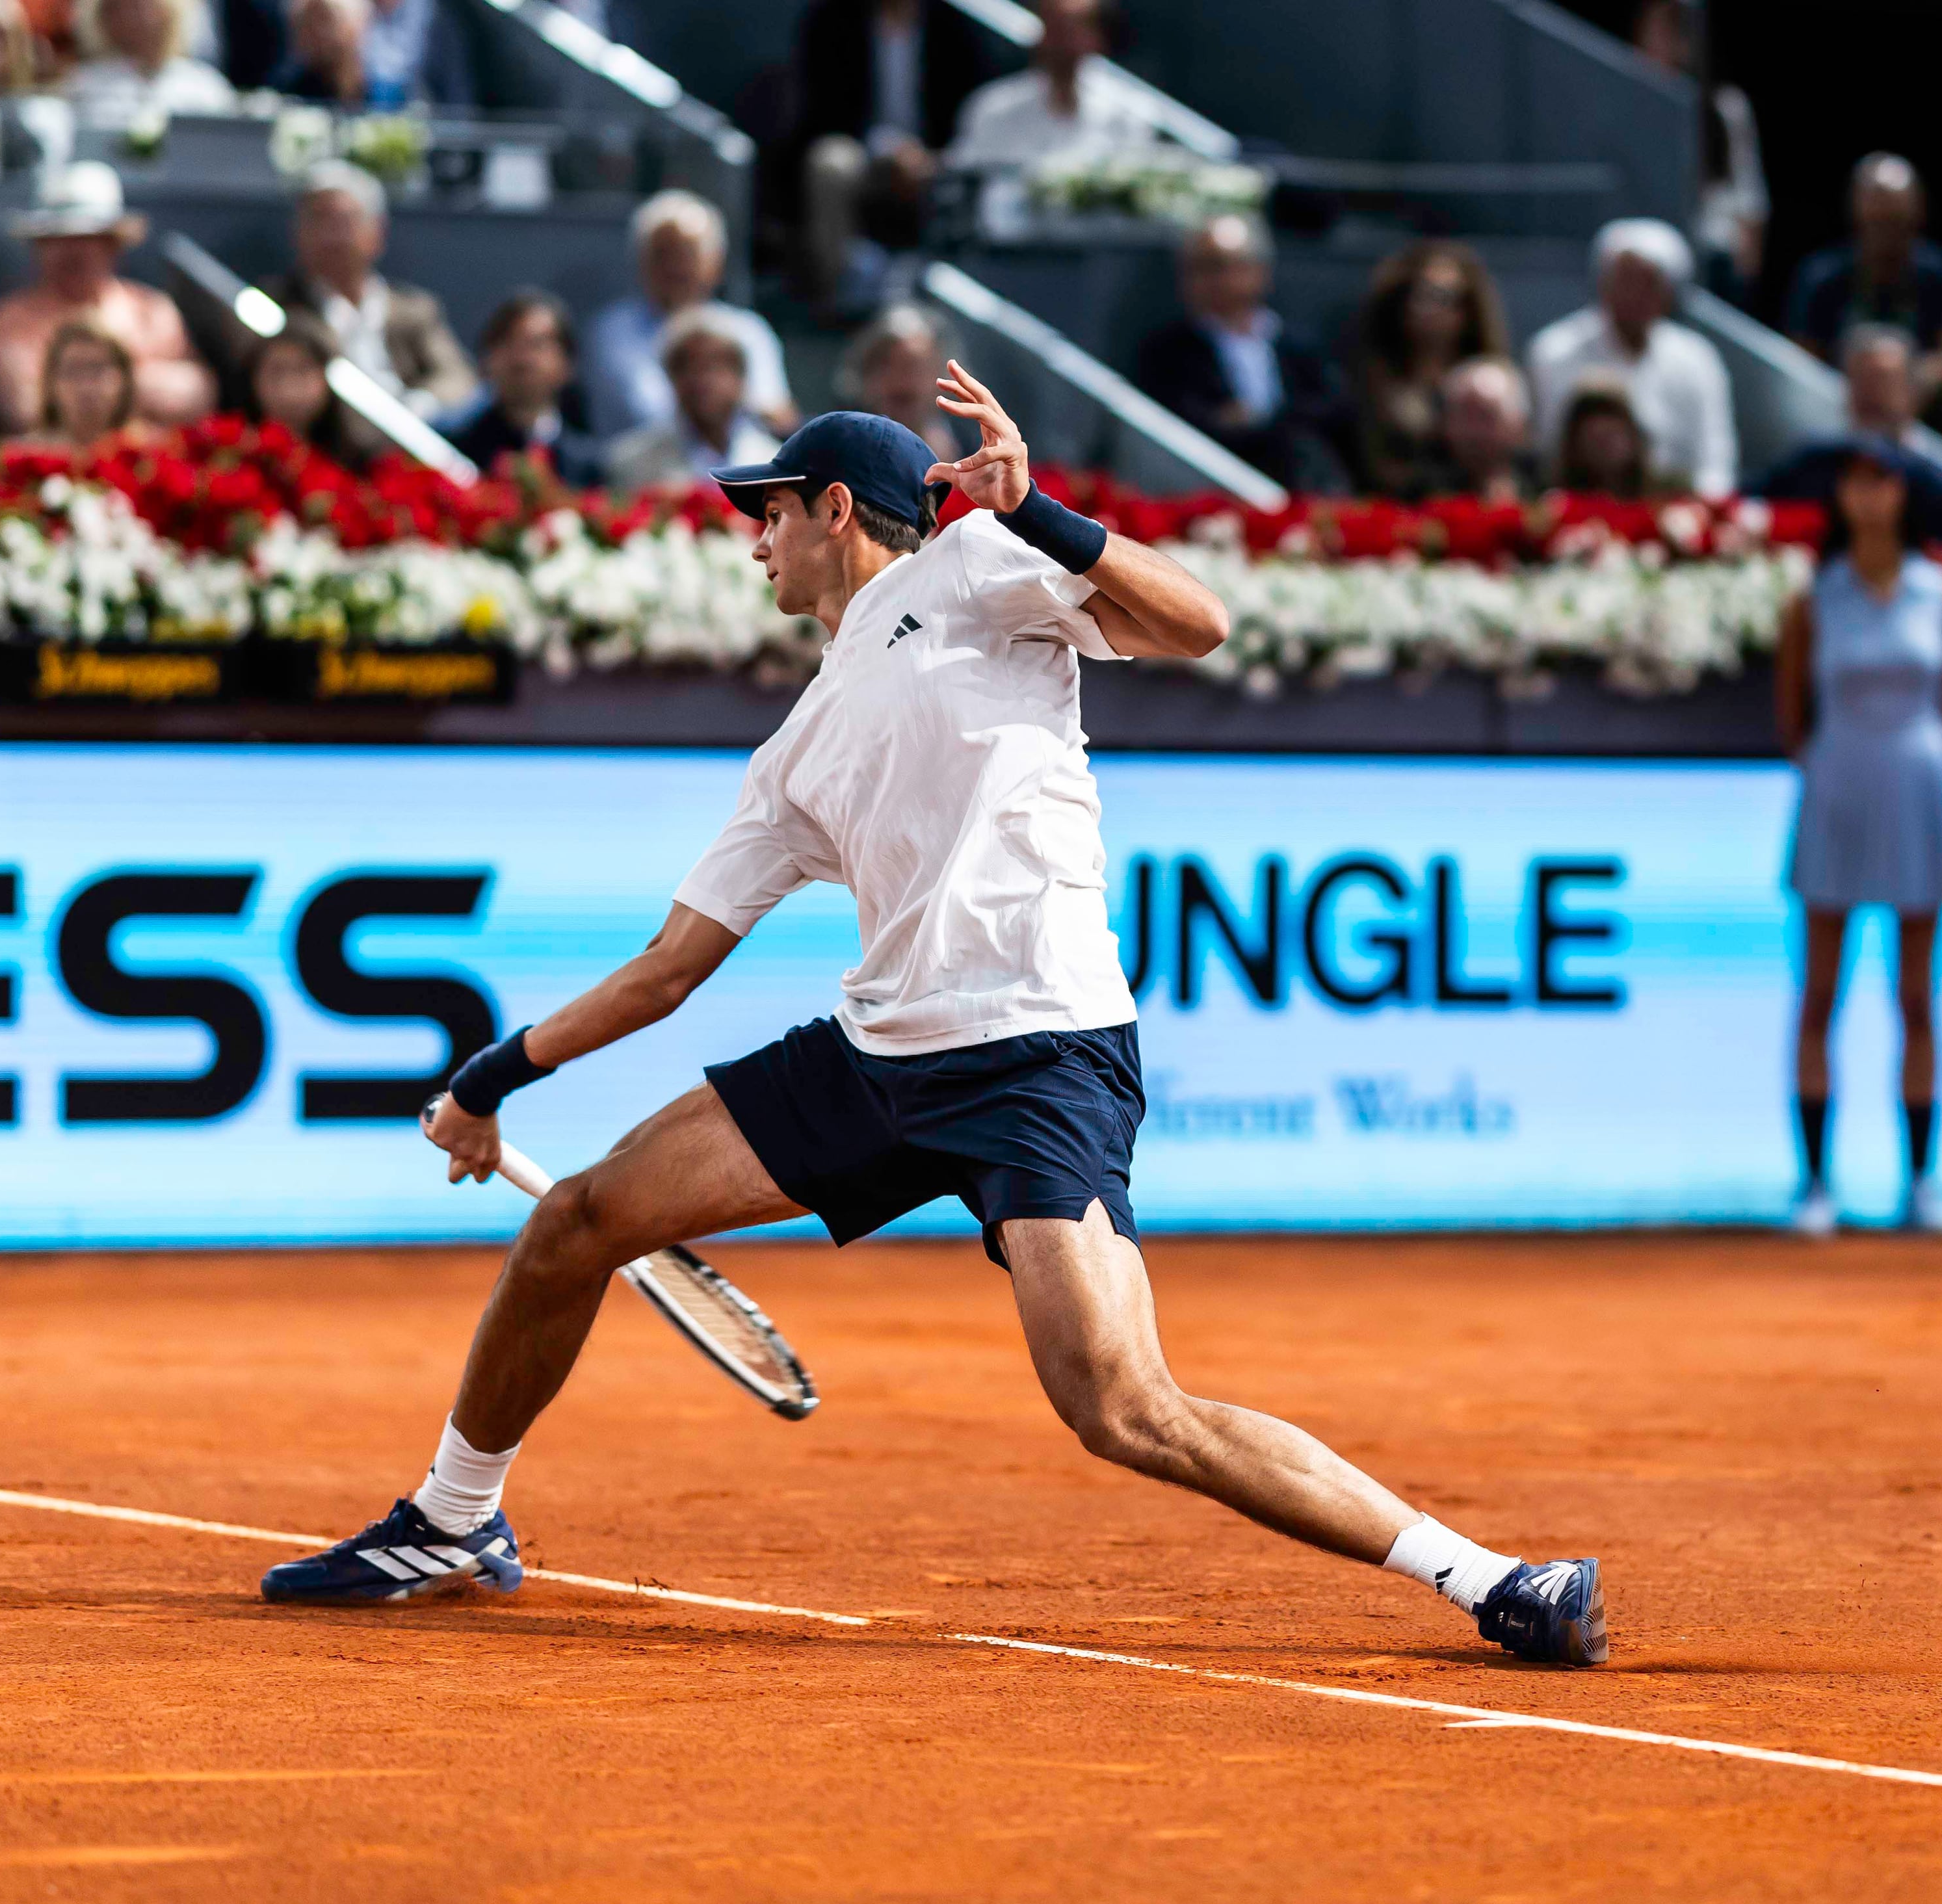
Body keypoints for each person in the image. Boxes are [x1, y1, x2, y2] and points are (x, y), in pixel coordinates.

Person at [254, 371, 1610, 1671]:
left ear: (837, 508)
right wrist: (490, 1079)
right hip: (877, 1061)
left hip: (1040, 1055)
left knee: (1124, 1406)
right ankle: (451, 1517)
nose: (754, 542)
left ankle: (1489, 1577)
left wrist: (1038, 510)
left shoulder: (973, 568)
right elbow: (669, 967)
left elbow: (1200, 624)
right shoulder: (793, 749)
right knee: (577, 1222)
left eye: (769, 513)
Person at [1776, 437, 1942, 1238]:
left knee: (1915, 999)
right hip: (1836, 792)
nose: (1868, 498)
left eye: (1881, 482)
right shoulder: (1810, 599)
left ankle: (1920, 1181)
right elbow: (1791, 716)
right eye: (1855, 483)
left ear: (1902, 494)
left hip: (1916, 796)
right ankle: (1814, 1183)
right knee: (1818, 996)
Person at [0, 161, 217, 435]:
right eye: (55, 239)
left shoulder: (152, 310)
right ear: (38, 247)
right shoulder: (11, 320)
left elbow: (198, 396)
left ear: (114, 244)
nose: (71, 252)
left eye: (87, 238)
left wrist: (87, 386)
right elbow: (23, 410)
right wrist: (140, 388)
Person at [1135, 213, 1349, 494]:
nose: (1207, 281)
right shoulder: (1167, 352)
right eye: (1195, 269)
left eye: (1217, 266)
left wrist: (1267, 420)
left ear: (1259, 271)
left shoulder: (1299, 346)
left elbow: (1332, 411)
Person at [794, 0, 989, 306]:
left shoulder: (953, 27)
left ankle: (947, 294)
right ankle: (839, 295)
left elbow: (970, 111)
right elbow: (825, 112)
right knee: (830, 162)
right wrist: (890, 151)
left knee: (966, 173)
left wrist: (926, 158)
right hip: (861, 151)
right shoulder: (833, 20)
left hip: (936, 156)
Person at [1525, 218, 1736, 497]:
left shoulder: (1698, 359)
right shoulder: (1553, 351)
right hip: (1581, 504)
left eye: (1649, 283)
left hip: (1676, 508)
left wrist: (1700, 511)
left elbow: (1715, 460)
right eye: (1626, 280)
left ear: (1668, 293)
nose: (1636, 294)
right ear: (1603, 283)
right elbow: (1548, 452)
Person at [263, 161, 475, 420]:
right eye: (318, 219)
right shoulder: (273, 307)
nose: (332, 235)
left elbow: (457, 376)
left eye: (344, 221)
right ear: (297, 233)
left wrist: (421, 404)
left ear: (377, 232)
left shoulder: (414, 309)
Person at [583, 190, 794, 441]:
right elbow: (647, 411)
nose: (675, 266)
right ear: (641, 262)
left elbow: (774, 417)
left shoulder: (749, 331)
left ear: (716, 263)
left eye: (688, 253)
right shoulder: (613, 331)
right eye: (663, 253)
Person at [1752, 325, 1942, 539]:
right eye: (1862, 380)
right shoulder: (1809, 466)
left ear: (1913, 391)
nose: (1871, 395)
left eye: (1883, 381)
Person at [1785, 155, 1942, 409]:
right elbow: (1802, 359)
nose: (1886, 236)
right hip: (1840, 403)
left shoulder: (1941, 274)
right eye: (1878, 222)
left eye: (1896, 222)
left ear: (1917, 214)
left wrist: (1918, 379)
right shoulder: (1822, 276)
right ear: (1857, 212)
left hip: (1921, 405)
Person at [1346, 241, 1509, 500]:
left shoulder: (1490, 383)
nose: (1428, 309)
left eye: (1445, 298)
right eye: (1419, 295)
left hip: (1472, 509)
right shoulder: (1372, 385)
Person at [1631, 0, 1764, 299]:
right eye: (1659, 31)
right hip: (1653, 242)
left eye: (1678, 30)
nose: (1669, 42)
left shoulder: (1726, 105)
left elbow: (1749, 193)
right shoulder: (1631, 105)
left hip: (1712, 250)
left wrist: (1749, 259)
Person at [944, 0, 1149, 174]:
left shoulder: (1129, 112)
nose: (1062, 41)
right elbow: (962, 177)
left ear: (1098, 37)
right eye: (1055, 27)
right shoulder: (993, 106)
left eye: (1074, 28)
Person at [438, 290, 604, 487]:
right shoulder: (452, 455)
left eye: (537, 344)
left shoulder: (590, 467)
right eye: (506, 341)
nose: (521, 357)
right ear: (486, 359)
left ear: (567, 364)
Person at [603, 309, 780, 492]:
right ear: (671, 378)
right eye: (689, 368)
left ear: (741, 377)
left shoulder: (775, 463)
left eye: (715, 367)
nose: (703, 381)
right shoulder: (631, 462)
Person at [64, 0, 237, 115]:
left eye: (141, 6)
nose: (130, 17)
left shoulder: (204, 87)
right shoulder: (83, 86)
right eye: (118, 8)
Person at [244, 322, 383, 464]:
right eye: (277, 373)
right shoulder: (236, 453)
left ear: (326, 377)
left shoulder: (356, 464)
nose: (290, 390)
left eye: (302, 371)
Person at [841, 302, 964, 463]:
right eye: (885, 364)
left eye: (913, 367)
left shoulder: (971, 444)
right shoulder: (840, 445)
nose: (899, 380)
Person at [1423, 357, 1536, 502]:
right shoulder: (1422, 493)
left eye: (1485, 416)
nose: (1474, 432)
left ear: (1518, 422)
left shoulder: (1544, 488)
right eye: (1464, 416)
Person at [17, 319, 142, 447]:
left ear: (124, 379)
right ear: (50, 383)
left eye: (97, 369)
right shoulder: (25, 454)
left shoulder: (143, 452)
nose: (86, 385)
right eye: (73, 370)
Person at [1552, 376, 1664, 498]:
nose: (1601, 426)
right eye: (1594, 440)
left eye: (1613, 434)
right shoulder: (1556, 503)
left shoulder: (1664, 501)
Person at [268, 0, 380, 105]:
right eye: (310, 23)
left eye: (325, 20)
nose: (319, 31)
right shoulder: (290, 86)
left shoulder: (375, 83)